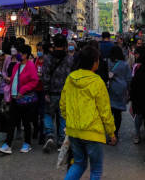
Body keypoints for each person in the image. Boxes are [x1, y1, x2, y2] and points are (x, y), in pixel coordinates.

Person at [60, 46, 116, 180]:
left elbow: (63, 104)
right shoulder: (97, 81)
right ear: (94, 62)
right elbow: (105, 111)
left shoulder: (70, 78)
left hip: (73, 131)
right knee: (96, 169)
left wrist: (69, 121)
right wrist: (111, 132)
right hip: (92, 132)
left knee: (79, 164)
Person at [0, 44, 39, 155]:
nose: (18, 55)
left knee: (26, 123)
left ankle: (27, 143)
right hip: (15, 99)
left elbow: (34, 81)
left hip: (26, 100)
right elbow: (15, 79)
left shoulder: (30, 65)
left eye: (20, 53)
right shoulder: (17, 65)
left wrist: (23, 90)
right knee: (11, 122)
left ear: (25, 55)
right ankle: (7, 144)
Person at [42, 34, 74, 153]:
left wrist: (45, 91)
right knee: (62, 116)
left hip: (51, 92)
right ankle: (61, 141)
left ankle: (50, 135)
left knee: (48, 114)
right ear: (65, 45)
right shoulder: (70, 59)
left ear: (54, 45)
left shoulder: (48, 58)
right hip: (66, 93)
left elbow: (45, 76)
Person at [107, 45, 131, 139]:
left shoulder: (107, 62)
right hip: (121, 89)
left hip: (109, 89)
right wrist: (128, 90)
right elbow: (129, 78)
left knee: (108, 113)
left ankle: (109, 132)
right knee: (118, 114)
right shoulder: (124, 64)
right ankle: (115, 133)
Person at [33, 42, 46, 143]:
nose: (38, 52)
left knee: (42, 113)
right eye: (37, 50)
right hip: (35, 89)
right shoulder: (35, 60)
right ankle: (36, 130)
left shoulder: (47, 62)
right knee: (35, 112)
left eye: (40, 50)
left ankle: (42, 133)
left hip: (43, 90)